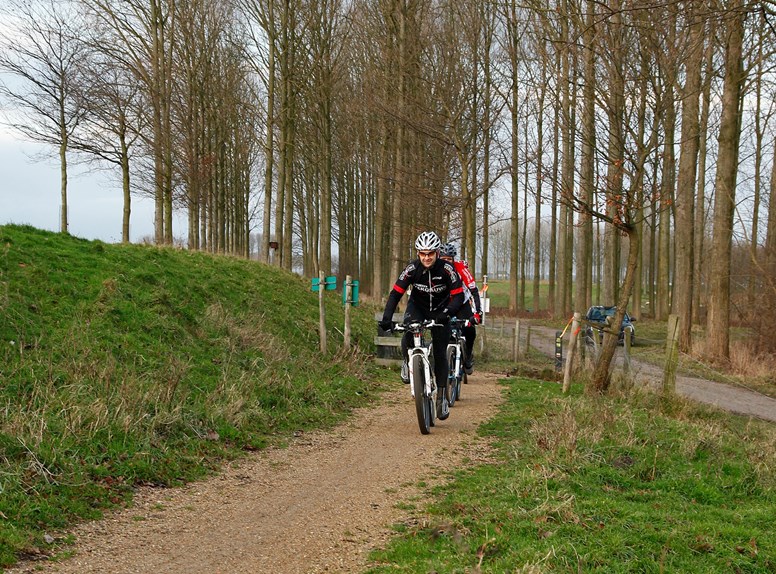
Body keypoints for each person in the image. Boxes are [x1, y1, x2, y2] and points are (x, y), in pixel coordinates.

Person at [378, 231, 464, 420]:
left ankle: (441, 397)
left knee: (440, 351)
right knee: (407, 332)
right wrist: (387, 318)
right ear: (418, 253)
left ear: (437, 253)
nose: (426, 257)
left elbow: (459, 296)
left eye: (430, 253)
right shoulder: (411, 269)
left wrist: (447, 313)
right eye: (422, 253)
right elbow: (395, 294)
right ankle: (408, 362)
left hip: (442, 311)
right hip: (417, 307)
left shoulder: (447, 269)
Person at [439, 242, 482, 374]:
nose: (446, 262)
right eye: (443, 259)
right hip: (444, 303)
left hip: (461, 303)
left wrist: (477, 313)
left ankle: (468, 355)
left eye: (449, 259)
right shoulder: (434, 269)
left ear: (453, 259)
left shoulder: (460, 268)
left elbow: (474, 289)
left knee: (469, 330)